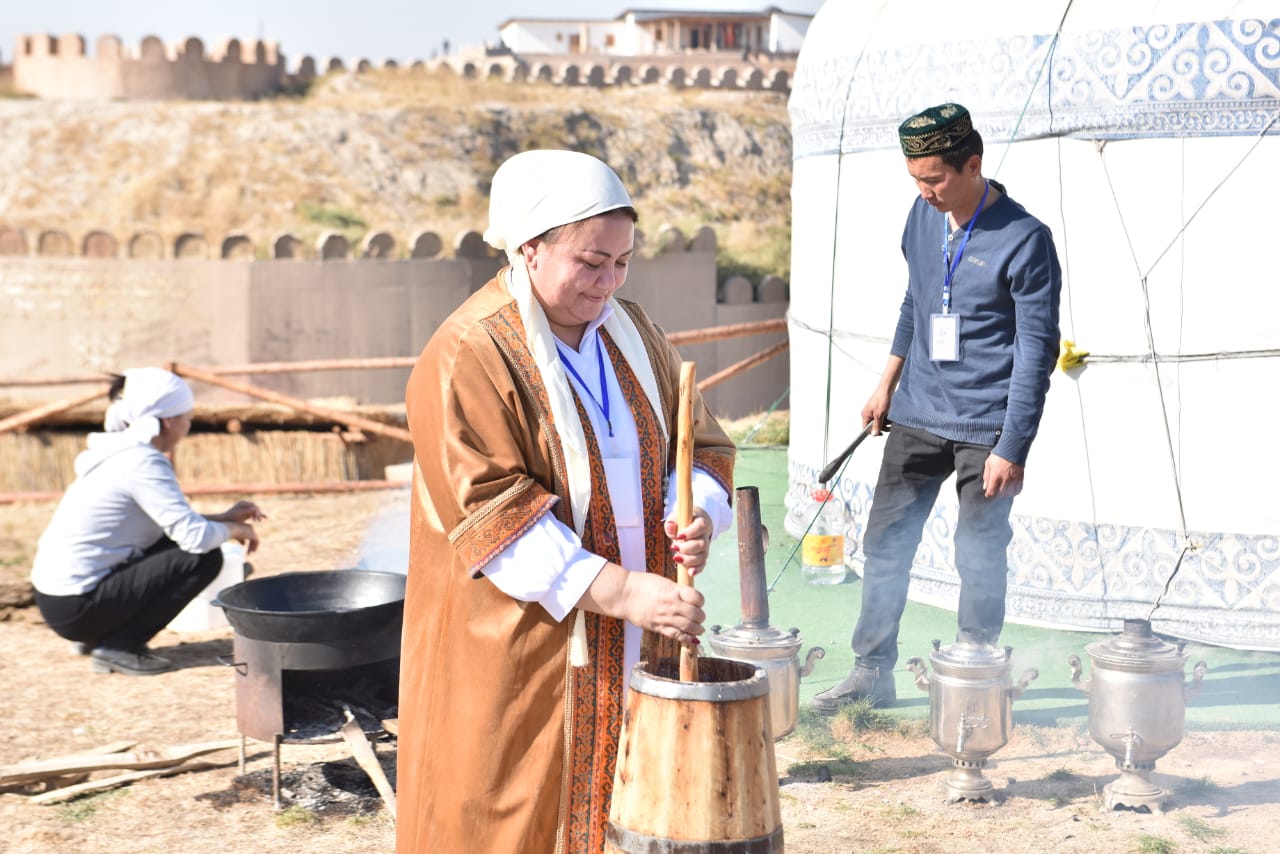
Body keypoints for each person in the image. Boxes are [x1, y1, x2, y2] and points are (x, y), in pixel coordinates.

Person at [397, 149, 737, 852]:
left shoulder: (633, 332)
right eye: (590, 262)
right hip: (527, 641)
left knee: (634, 805)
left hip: (637, 627)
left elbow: (698, 444)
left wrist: (697, 512)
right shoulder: (471, 352)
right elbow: (493, 511)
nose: (607, 282)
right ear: (530, 247)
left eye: (622, 262)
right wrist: (619, 590)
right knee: (509, 808)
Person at [812, 103, 1062, 712]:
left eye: (935, 180)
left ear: (973, 164)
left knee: (978, 554)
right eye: (916, 180)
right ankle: (872, 671)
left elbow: (1037, 352)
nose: (924, 192)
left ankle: (974, 679)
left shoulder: (1025, 240)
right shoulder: (922, 218)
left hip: (987, 426)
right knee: (886, 542)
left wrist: (1013, 445)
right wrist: (887, 381)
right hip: (919, 411)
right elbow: (916, 301)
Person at [31, 368, 263, 676]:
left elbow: (168, 524)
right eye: (187, 417)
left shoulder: (120, 453)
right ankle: (118, 645)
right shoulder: (142, 461)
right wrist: (237, 529)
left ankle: (101, 634)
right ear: (168, 421)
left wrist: (224, 518)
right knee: (203, 557)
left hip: (60, 600)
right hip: (76, 607)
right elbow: (195, 539)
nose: (188, 425)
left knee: (178, 545)